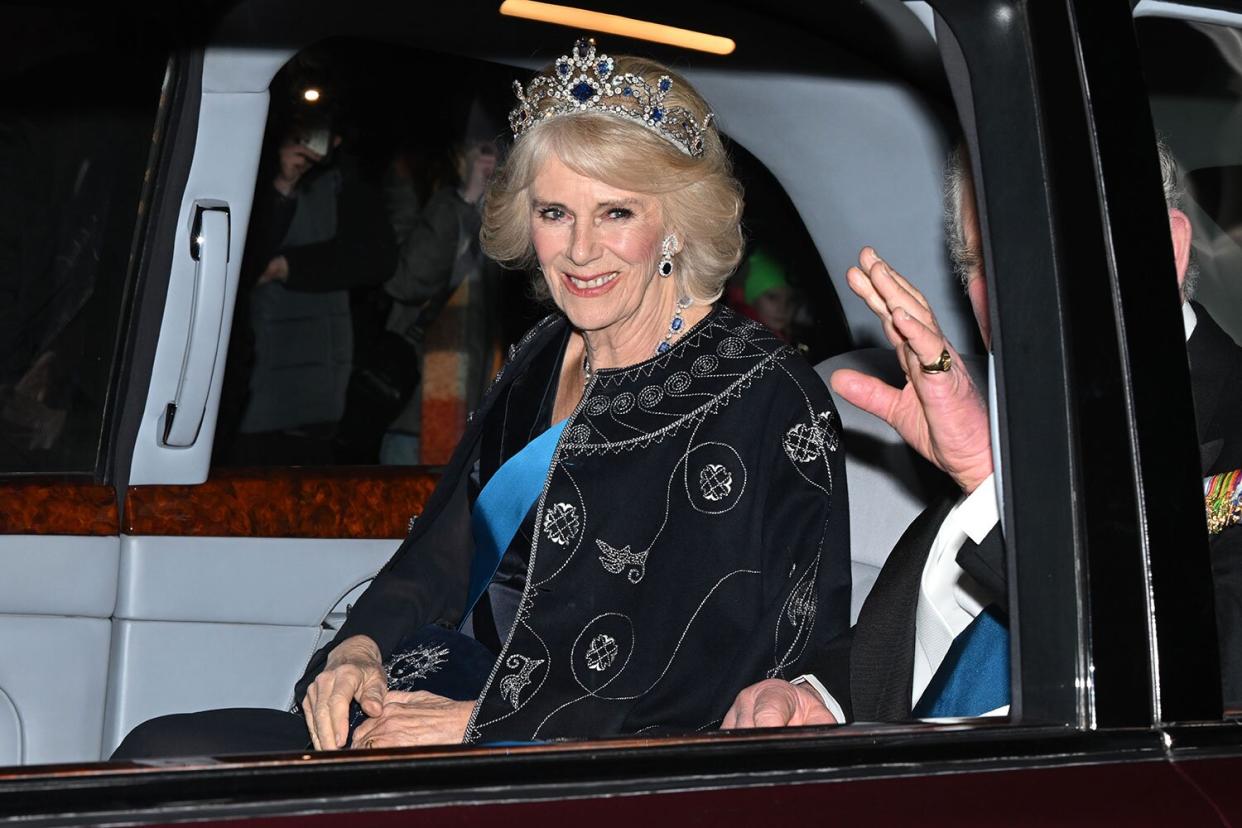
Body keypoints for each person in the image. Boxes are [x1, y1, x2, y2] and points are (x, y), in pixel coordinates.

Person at [113, 38, 849, 758]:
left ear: (675, 224)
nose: (580, 250)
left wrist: (482, 723)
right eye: (555, 213)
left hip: (570, 762)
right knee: (161, 753)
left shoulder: (761, 396)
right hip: (434, 699)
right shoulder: (540, 354)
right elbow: (449, 547)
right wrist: (358, 650)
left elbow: (721, 666)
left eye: (616, 213)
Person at [723, 139, 1242, 728]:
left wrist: (987, 483)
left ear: (1163, 250)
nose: (1007, 293)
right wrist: (821, 696)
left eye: (1045, 247)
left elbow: (1194, 689)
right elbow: (937, 633)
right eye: (980, 262)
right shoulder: (1012, 420)